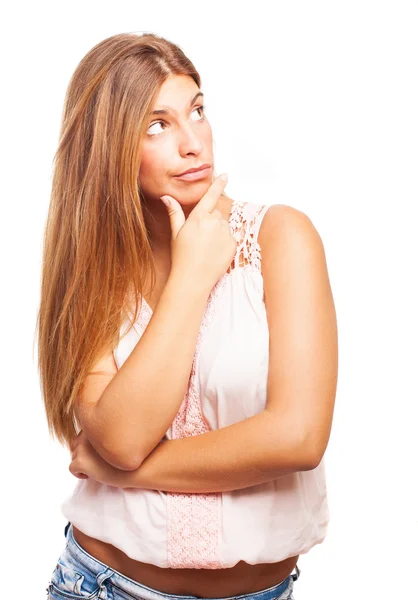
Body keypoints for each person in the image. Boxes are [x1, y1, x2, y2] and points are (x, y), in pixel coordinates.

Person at [37, 31, 338, 600]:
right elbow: (122, 439)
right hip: (101, 585)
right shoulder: (91, 271)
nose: (194, 143)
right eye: (157, 125)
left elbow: (298, 437)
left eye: (197, 111)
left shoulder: (281, 239)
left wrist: (122, 474)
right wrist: (192, 276)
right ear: (108, 149)